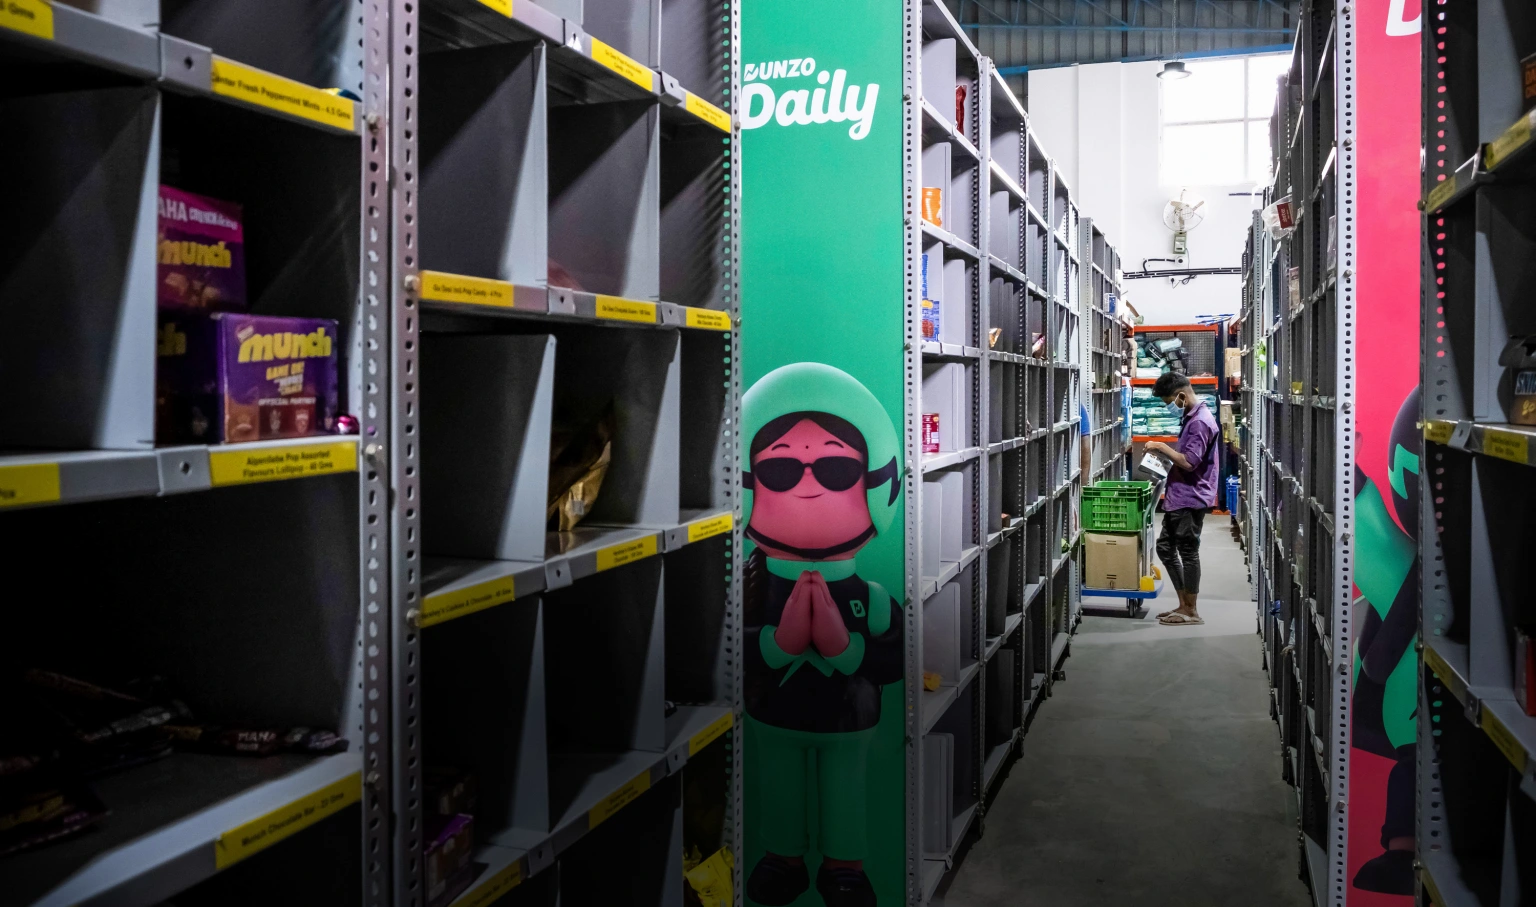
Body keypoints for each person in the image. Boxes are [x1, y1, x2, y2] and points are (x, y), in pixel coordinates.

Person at [741, 362, 904, 907]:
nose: (808, 486)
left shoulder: (871, 598)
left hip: (848, 720)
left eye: (835, 469)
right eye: (780, 471)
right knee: (778, 784)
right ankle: (782, 859)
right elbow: (730, 653)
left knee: (846, 790)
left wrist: (844, 647)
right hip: (774, 714)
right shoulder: (751, 591)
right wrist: (777, 644)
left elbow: (895, 660)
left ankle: (845, 868)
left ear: (875, 482)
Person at [1143, 372, 1219, 626]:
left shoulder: (1200, 423)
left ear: (1182, 396)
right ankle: (1184, 604)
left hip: (1191, 496)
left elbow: (1189, 462)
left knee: (1188, 551)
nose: (1169, 407)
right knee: (1165, 548)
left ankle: (1192, 611)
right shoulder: (1191, 417)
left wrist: (1161, 447)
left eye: (1169, 402)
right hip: (1180, 495)